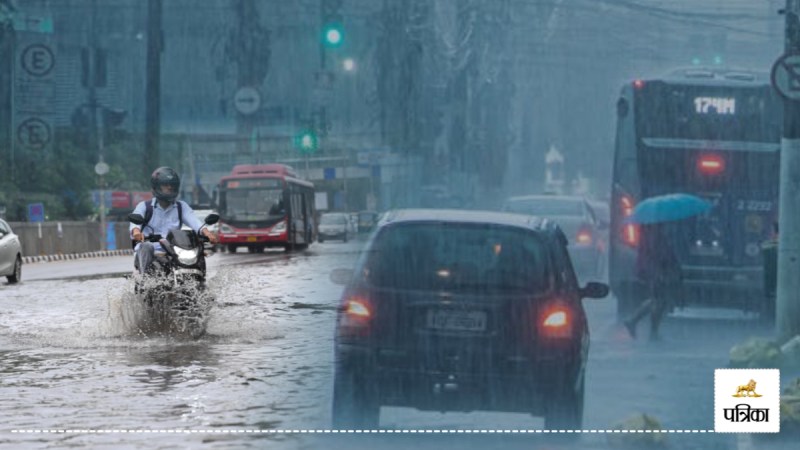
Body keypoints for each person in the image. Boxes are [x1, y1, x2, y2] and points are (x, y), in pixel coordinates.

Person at [130, 167, 218, 275]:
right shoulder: (145, 206)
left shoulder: (181, 207)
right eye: (165, 185)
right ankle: (145, 280)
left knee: (197, 250)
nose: (170, 187)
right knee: (146, 246)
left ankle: (201, 281)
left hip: (173, 250)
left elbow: (194, 221)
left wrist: (207, 233)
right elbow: (136, 222)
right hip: (151, 250)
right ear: (156, 187)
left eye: (172, 184)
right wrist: (136, 232)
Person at [624, 222, 682, 341]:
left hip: (655, 269)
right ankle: (640, 324)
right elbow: (657, 253)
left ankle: (639, 323)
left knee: (658, 300)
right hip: (656, 270)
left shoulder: (652, 232)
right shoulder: (653, 234)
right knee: (658, 300)